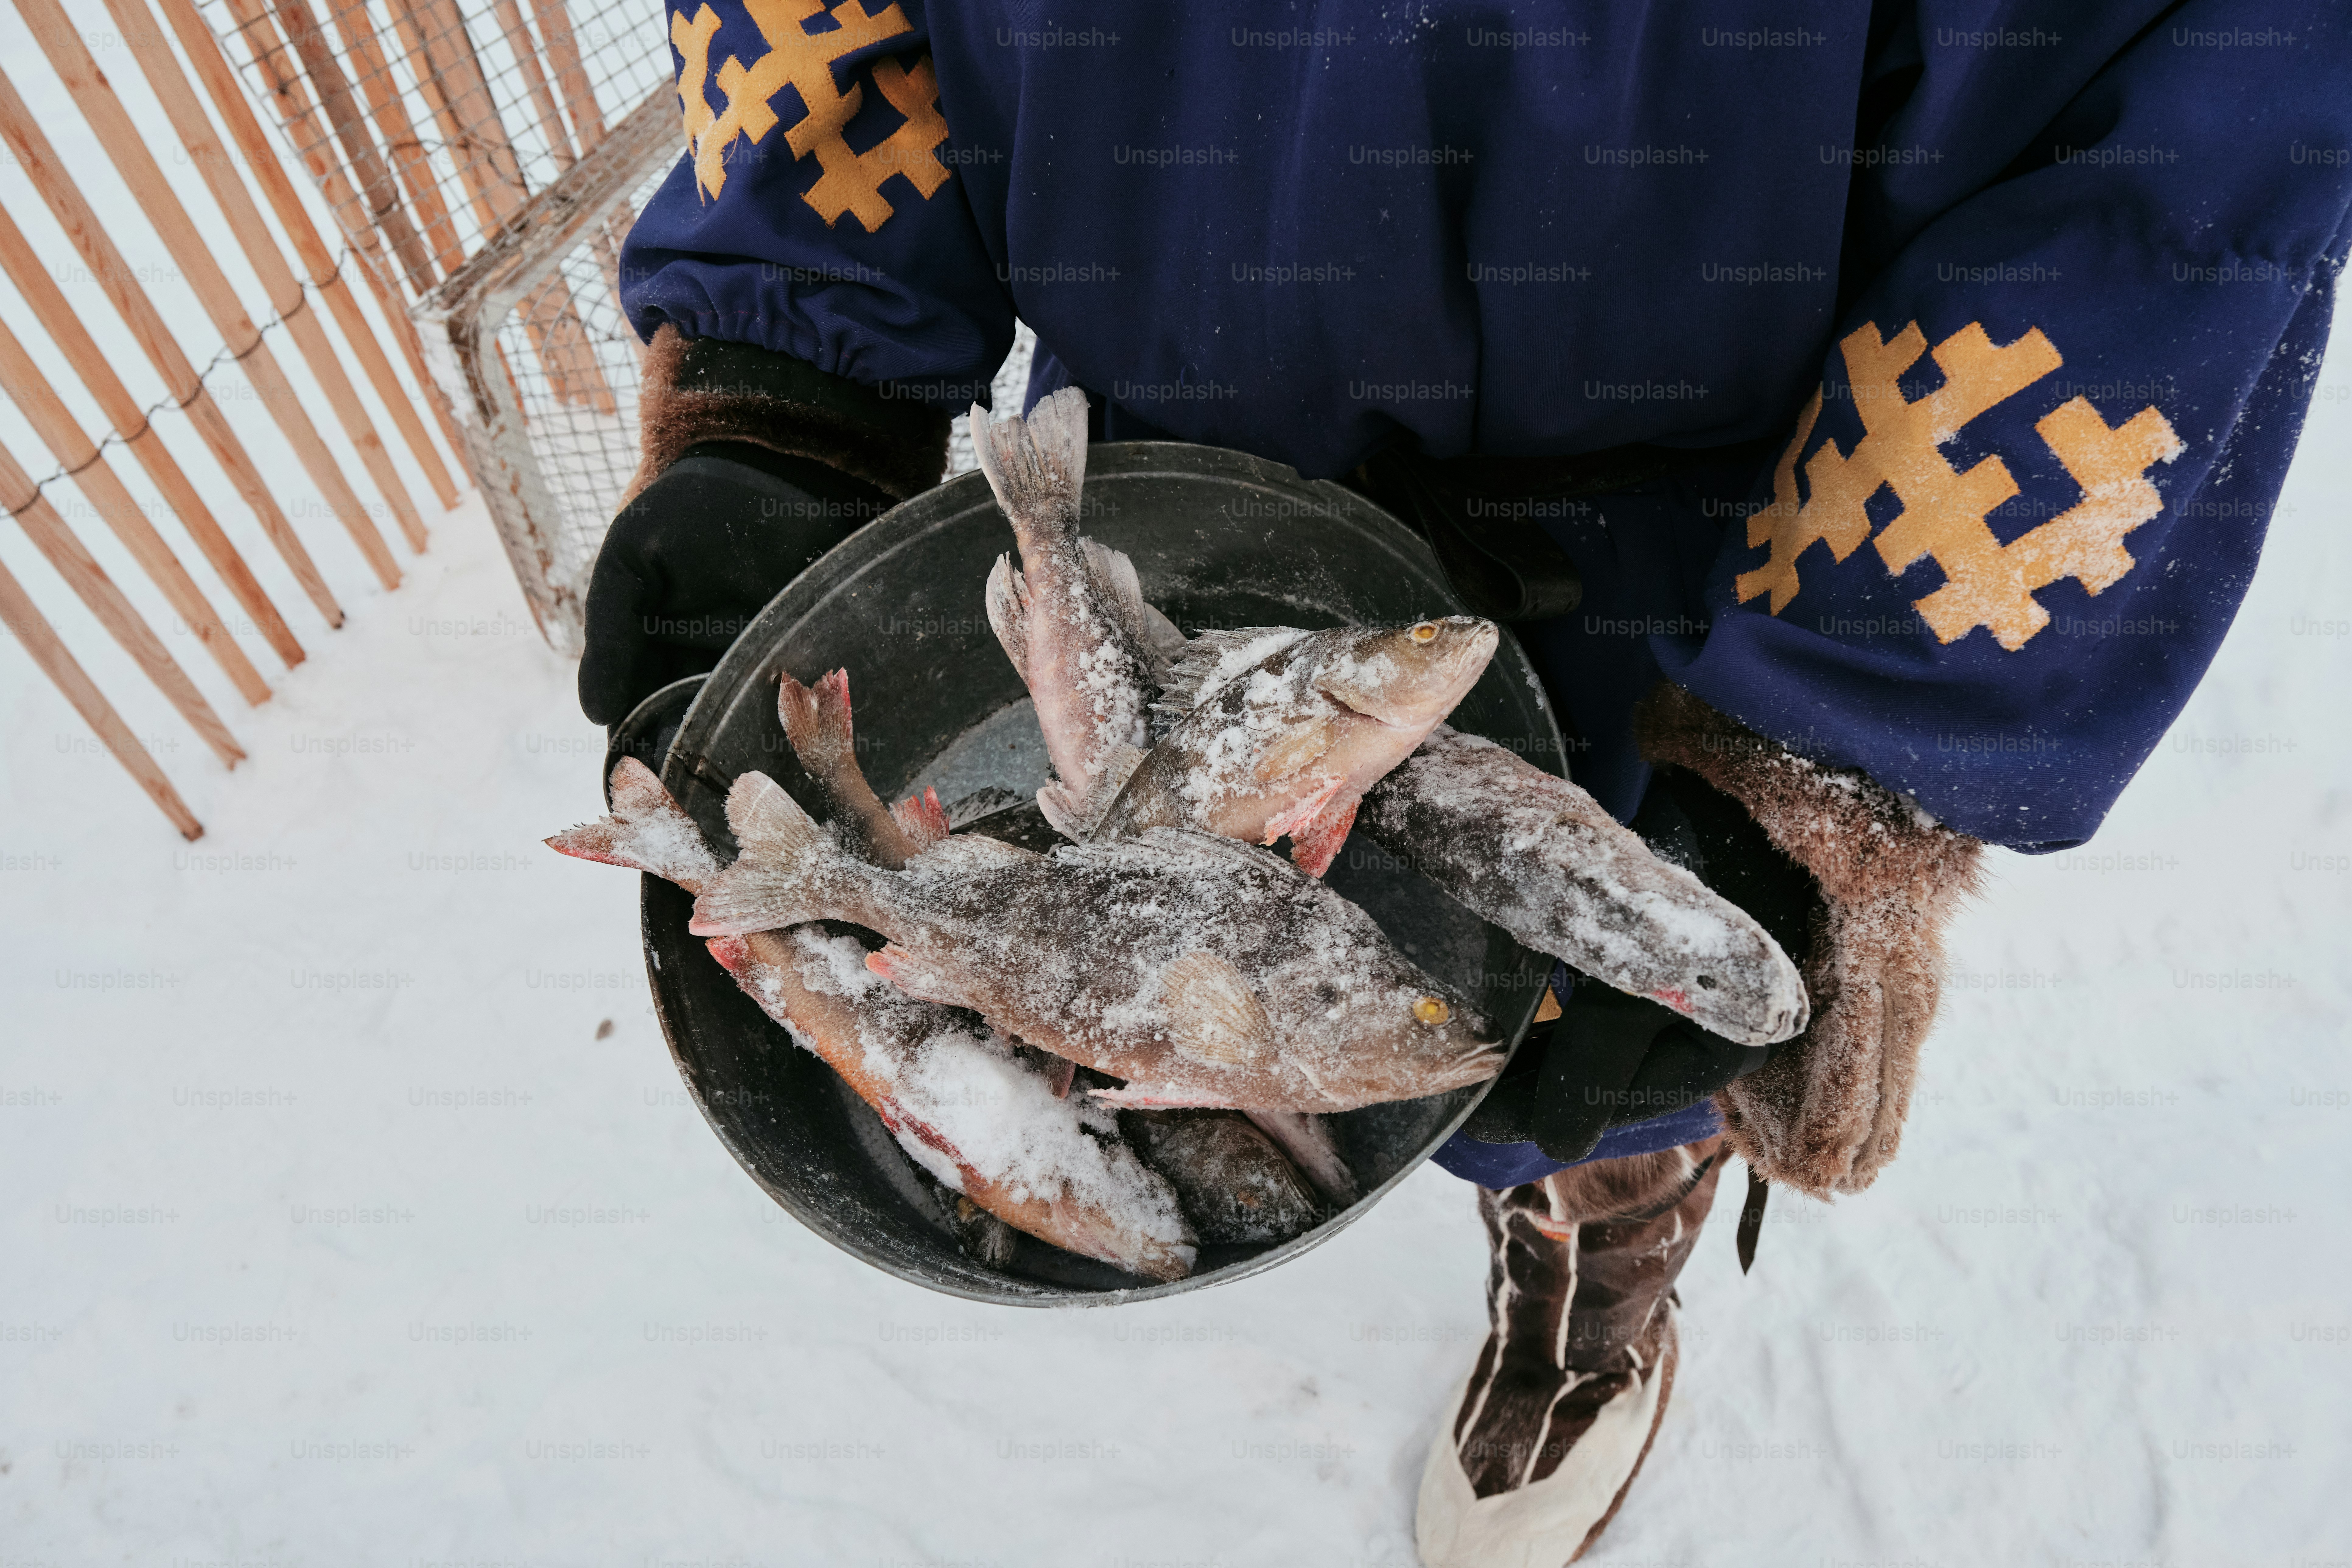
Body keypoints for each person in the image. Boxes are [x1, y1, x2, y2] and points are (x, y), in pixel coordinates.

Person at [579, 3, 2350, 1560]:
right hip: (1175, 506)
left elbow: (2171, 153)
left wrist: (1838, 744)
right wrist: (784, 368)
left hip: (1700, 579)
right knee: (1332, 997)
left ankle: (1593, 1258)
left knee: (1603, 1056)